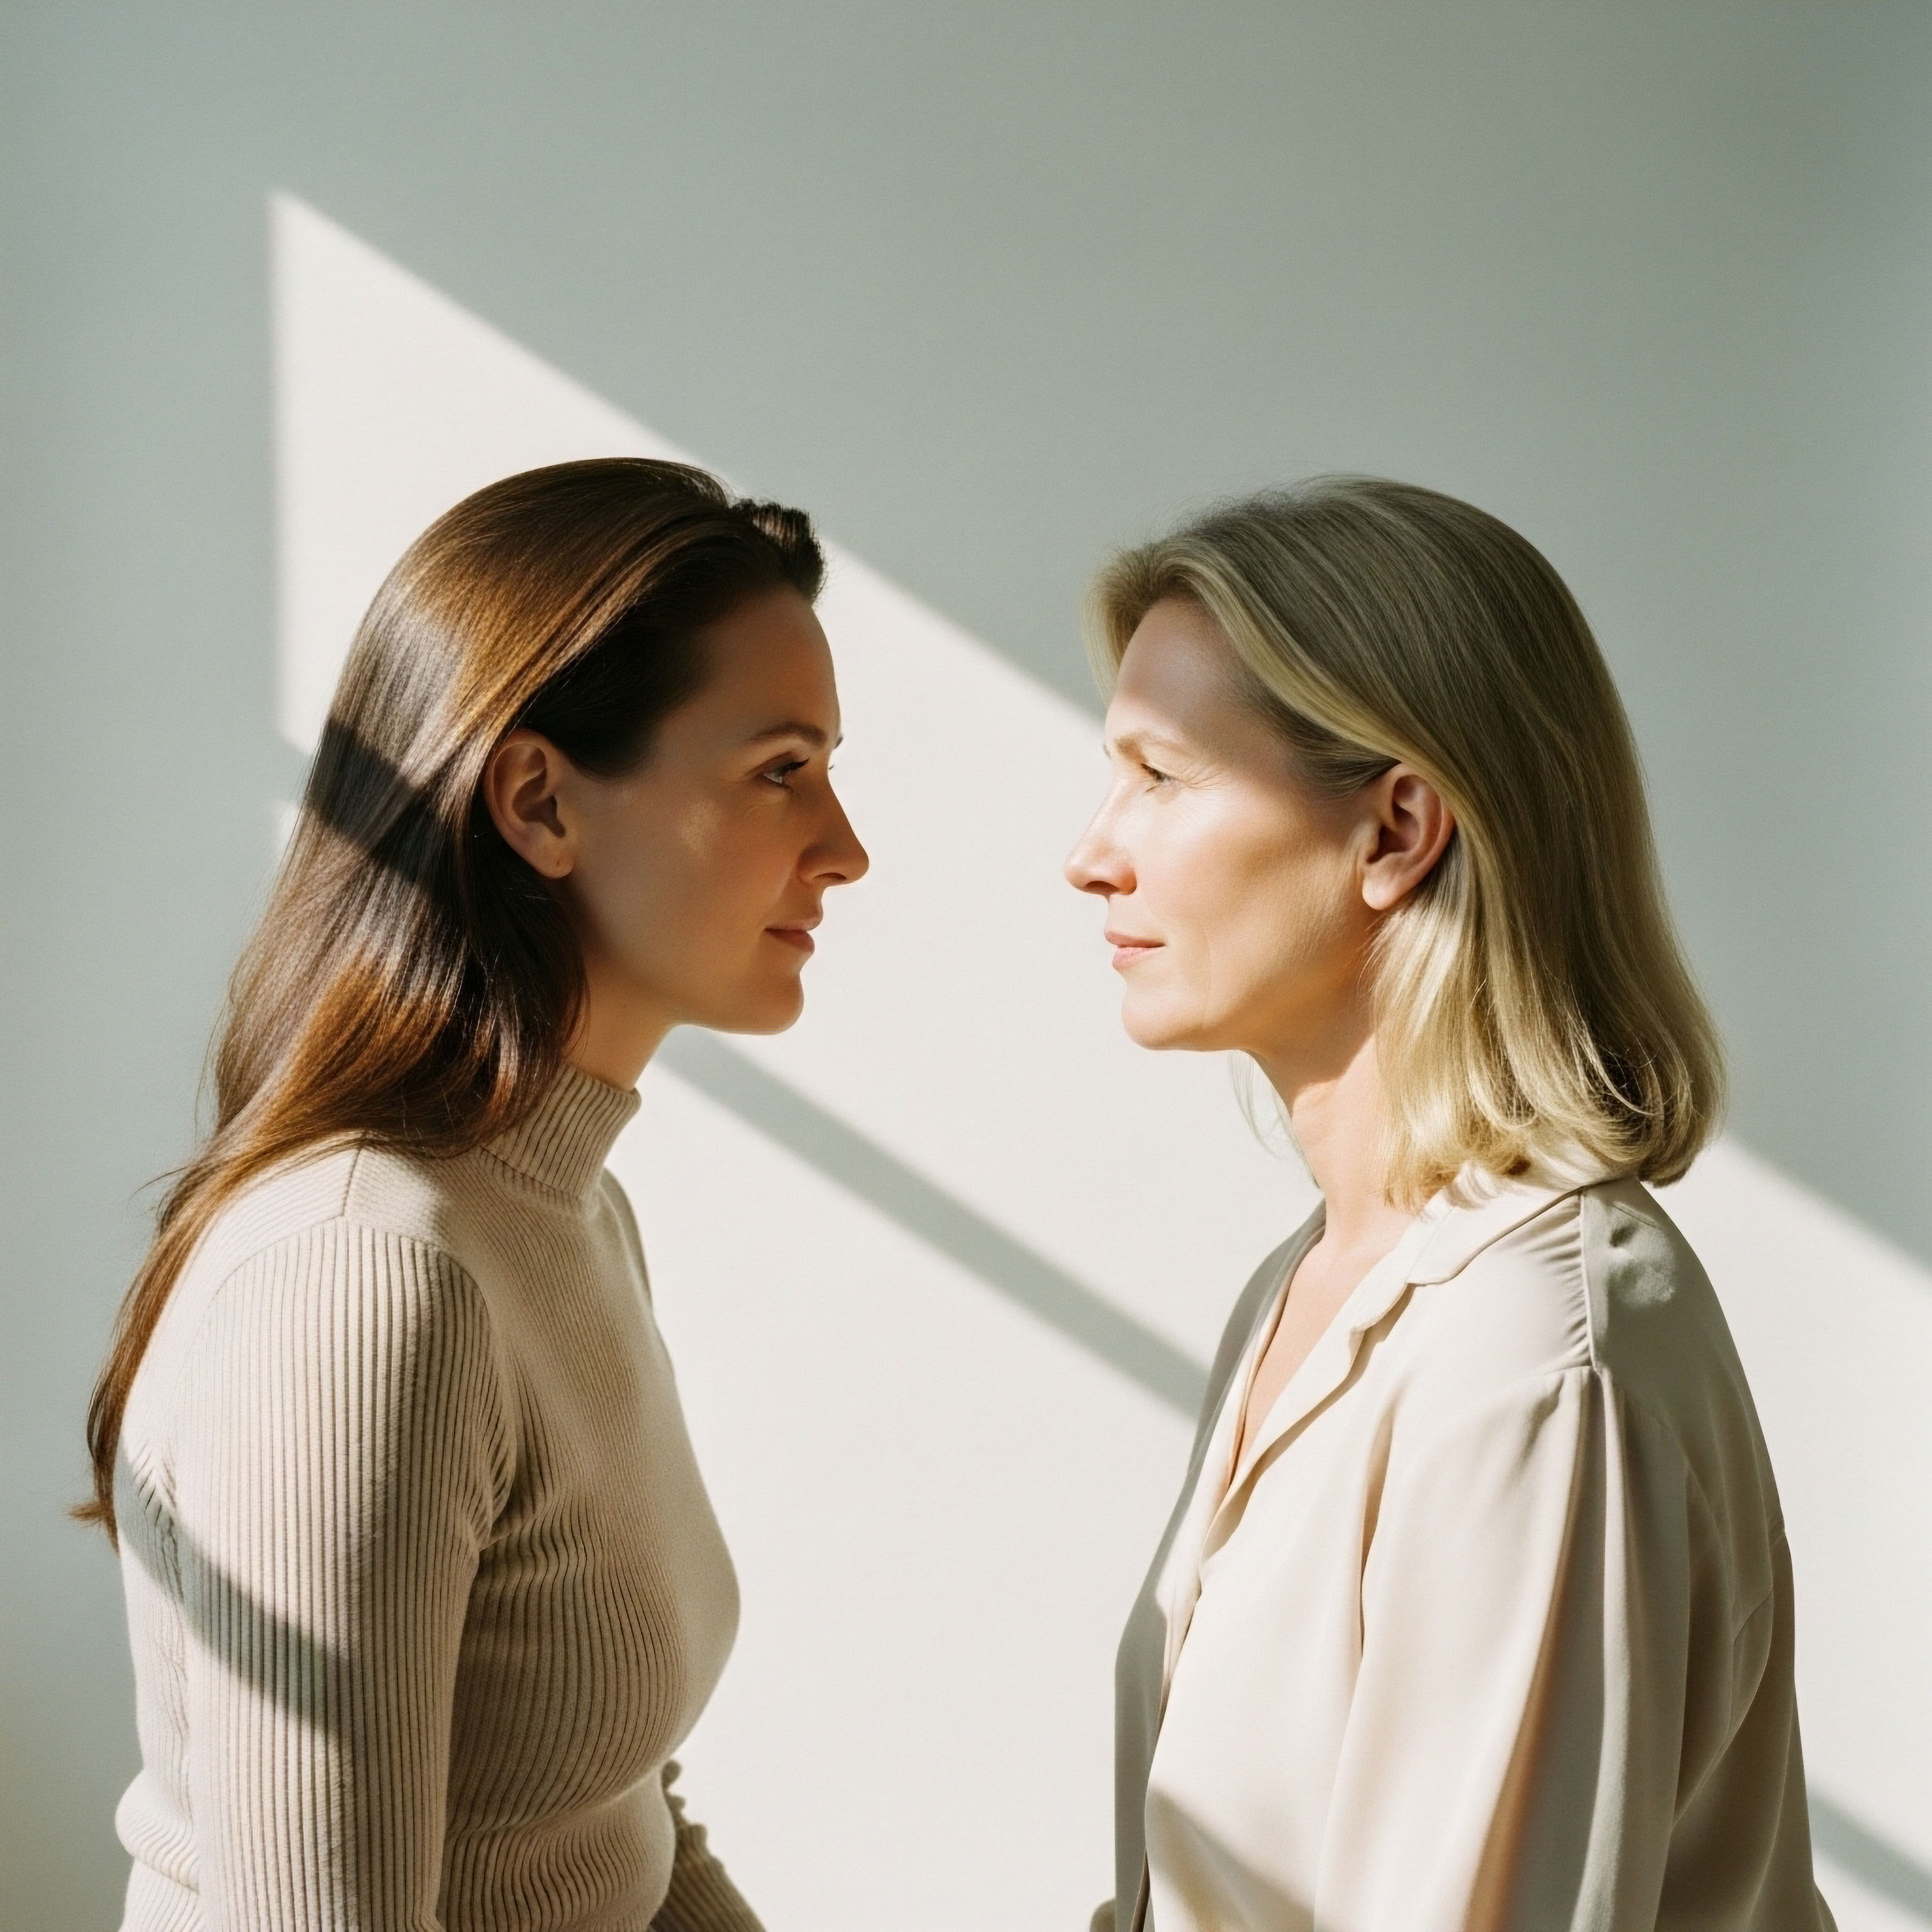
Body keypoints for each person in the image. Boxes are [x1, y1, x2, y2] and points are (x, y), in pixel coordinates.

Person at [80, 458, 869, 1932]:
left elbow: (615, 1825)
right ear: (538, 802)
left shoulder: (563, 1219)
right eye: (782, 770)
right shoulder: (362, 1280)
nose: (846, 848)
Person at [1065, 479, 1835, 1932]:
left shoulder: (1532, 1352)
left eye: (1160, 776)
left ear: (1396, 830)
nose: (1092, 853)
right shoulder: (1323, 1280)